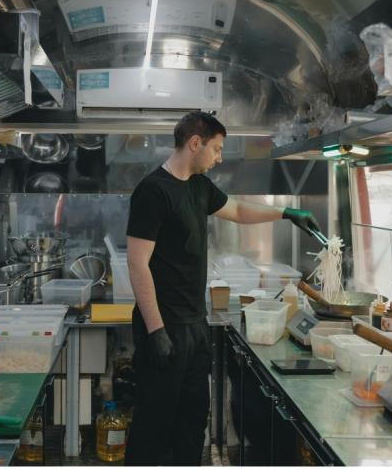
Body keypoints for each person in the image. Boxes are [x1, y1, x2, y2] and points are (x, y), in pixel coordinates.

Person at [124, 112, 321, 466]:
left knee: (192, 422)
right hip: (164, 327)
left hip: (195, 325)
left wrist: (287, 213)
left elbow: (240, 210)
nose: (218, 158)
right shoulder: (153, 191)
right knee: (154, 427)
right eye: (215, 149)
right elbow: (137, 263)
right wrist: (156, 330)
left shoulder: (198, 186)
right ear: (195, 143)